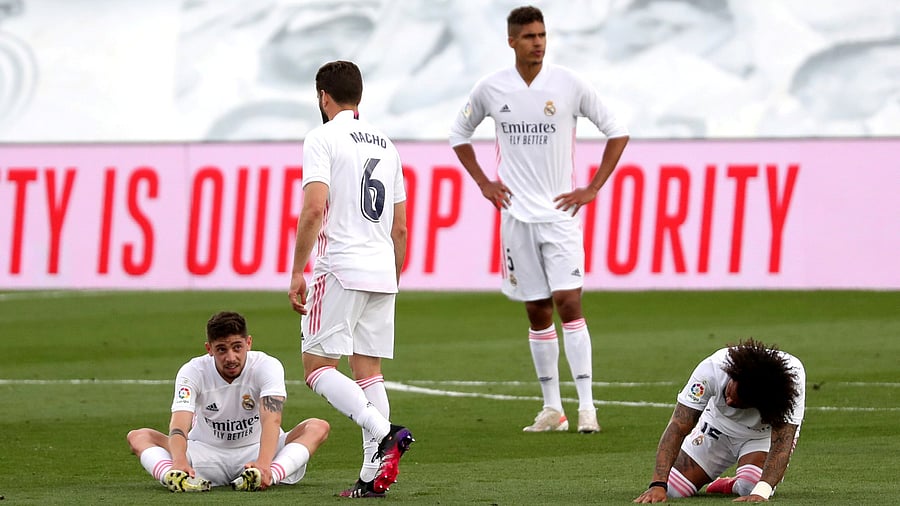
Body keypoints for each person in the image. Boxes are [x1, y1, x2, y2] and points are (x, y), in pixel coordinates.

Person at [448, 5, 630, 433]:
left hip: (560, 216)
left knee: (569, 302)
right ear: (511, 41)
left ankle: (587, 407)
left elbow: (617, 131)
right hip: (516, 218)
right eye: (529, 36)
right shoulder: (491, 88)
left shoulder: (569, 84)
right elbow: (459, 134)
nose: (538, 43)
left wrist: (592, 188)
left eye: (542, 35)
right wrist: (484, 182)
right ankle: (553, 409)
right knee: (536, 310)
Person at [288, 60, 414, 499]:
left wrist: (298, 270)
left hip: (340, 266)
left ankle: (384, 432)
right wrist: (392, 276)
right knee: (368, 372)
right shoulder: (387, 145)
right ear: (359, 96)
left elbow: (314, 209)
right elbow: (401, 228)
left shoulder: (322, 137)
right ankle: (371, 476)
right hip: (382, 269)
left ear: (323, 96)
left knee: (317, 368)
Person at [126, 311, 330, 493]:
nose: (231, 357)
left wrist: (263, 463)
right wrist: (179, 461)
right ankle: (176, 477)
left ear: (248, 343)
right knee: (138, 436)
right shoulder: (192, 371)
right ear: (209, 349)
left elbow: (272, 419)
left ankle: (265, 476)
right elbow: (179, 423)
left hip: (257, 450)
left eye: (237, 347)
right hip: (205, 454)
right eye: (221, 349)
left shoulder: (268, 366)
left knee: (317, 427)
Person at [633, 338, 806, 503]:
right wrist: (658, 484)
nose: (729, 401)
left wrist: (761, 492)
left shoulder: (790, 384)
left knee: (750, 488)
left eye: (739, 404)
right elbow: (678, 426)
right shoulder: (713, 369)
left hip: (761, 436)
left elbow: (782, 443)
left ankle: (732, 484)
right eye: (729, 393)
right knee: (673, 490)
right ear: (733, 375)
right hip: (716, 426)